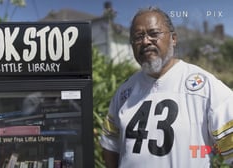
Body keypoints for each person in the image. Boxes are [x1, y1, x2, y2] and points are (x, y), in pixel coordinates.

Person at [100, 6, 233, 168]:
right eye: (137, 37)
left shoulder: (206, 88)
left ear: (173, 38)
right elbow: (110, 144)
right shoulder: (123, 93)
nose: (145, 41)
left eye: (154, 33)